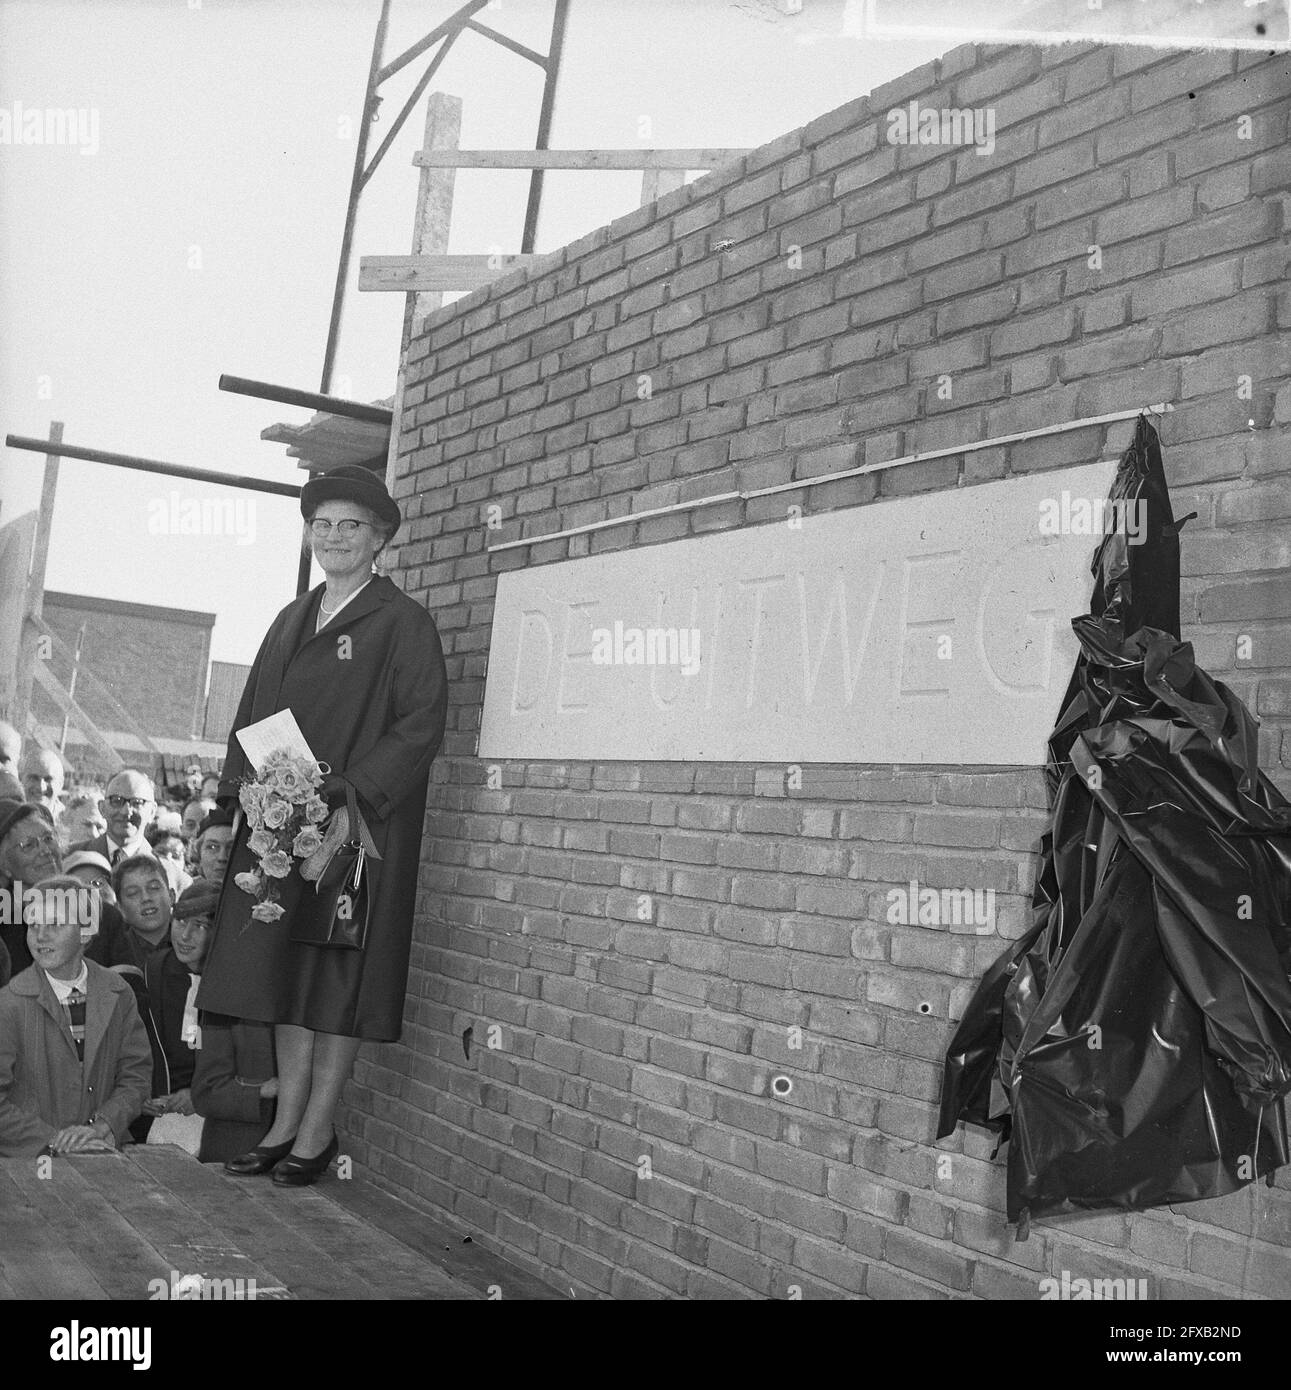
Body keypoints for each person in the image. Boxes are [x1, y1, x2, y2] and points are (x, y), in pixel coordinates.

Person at [199, 463, 447, 1186]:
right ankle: (282, 1124)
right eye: (322, 525)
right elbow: (252, 716)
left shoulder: (403, 623)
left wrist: (347, 791)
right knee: (282, 974)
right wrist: (242, 797)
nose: (333, 537)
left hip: (356, 835)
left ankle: (315, 1129)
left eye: (350, 527)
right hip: (281, 831)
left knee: (336, 981)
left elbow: (420, 726)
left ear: (380, 542)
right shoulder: (289, 618)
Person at [0, 875, 151, 1156]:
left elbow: (136, 1075)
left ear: (85, 931)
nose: (40, 935)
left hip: (103, 1147)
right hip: (31, 1158)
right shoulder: (10, 1004)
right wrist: (57, 1139)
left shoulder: (118, 993)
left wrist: (101, 1125)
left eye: (54, 924)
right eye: (33, 925)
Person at [0, 799, 140, 979]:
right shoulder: (5, 927)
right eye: (28, 845)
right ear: (5, 865)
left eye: (48, 838)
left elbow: (132, 990)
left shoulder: (103, 916)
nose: (45, 850)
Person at [131, 881, 215, 1144]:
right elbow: (137, 1046)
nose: (185, 936)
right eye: (180, 921)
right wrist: (141, 1094)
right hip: (161, 1107)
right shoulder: (154, 971)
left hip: (216, 1108)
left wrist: (199, 1094)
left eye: (200, 926)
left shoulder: (232, 983)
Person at [70, 769, 157, 866]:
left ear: (152, 812)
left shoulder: (165, 871)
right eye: (116, 801)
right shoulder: (69, 860)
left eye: (137, 803)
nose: (126, 811)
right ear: (102, 808)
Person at [20, 748, 65, 823]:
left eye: (48, 779)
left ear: (61, 783)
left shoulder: (69, 823)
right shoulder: (6, 817)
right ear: (21, 778)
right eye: (34, 778)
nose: (41, 787)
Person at [191, 810, 234, 884]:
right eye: (212, 847)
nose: (222, 857)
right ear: (199, 856)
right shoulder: (190, 894)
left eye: (232, 848)